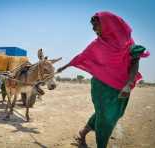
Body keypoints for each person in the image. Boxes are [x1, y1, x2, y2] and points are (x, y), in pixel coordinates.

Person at [57, 11, 149, 148]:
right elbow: (82, 56)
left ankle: (82, 133)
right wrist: (64, 67)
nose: (94, 30)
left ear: (108, 25)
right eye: (92, 27)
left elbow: (134, 63)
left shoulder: (128, 44)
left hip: (121, 86)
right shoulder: (97, 44)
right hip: (101, 86)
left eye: (96, 26)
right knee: (105, 118)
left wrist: (129, 84)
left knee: (112, 114)